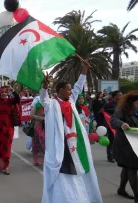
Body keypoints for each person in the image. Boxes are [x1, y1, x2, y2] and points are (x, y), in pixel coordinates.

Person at [41, 63, 102, 203]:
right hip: (61, 144)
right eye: (68, 90)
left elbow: (78, 86)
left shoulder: (72, 102)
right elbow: (44, 98)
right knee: (64, 170)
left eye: (70, 90)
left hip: (76, 142)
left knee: (79, 167)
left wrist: (84, 70)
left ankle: (80, 196)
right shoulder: (52, 104)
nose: (70, 92)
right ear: (61, 90)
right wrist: (45, 86)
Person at [110, 91, 138, 201]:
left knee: (127, 167)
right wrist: (122, 124)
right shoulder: (121, 111)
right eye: (137, 103)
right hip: (124, 144)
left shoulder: (136, 112)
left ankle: (121, 189)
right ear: (130, 103)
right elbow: (113, 120)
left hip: (134, 143)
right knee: (132, 168)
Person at [103, 90, 122, 163]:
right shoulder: (109, 104)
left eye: (121, 94)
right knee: (111, 141)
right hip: (111, 126)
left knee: (118, 141)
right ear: (115, 96)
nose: (121, 96)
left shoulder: (122, 104)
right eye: (119, 95)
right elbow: (102, 112)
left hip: (120, 125)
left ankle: (116, 155)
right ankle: (110, 156)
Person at [30, 101, 45, 166]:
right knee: (38, 142)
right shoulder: (37, 105)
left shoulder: (50, 104)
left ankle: (45, 159)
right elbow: (32, 114)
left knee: (46, 143)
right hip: (38, 125)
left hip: (48, 126)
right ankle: (36, 159)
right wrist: (42, 119)